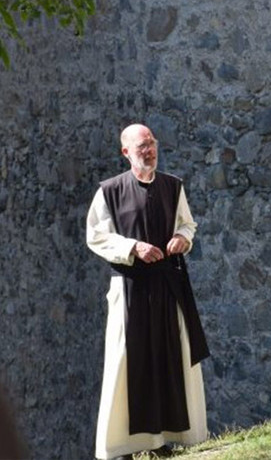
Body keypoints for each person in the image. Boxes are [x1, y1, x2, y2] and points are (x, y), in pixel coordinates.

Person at [87, 124, 209, 460]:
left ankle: (165, 439)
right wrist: (133, 247)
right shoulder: (109, 192)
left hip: (168, 286)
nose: (149, 150)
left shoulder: (173, 186)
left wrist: (183, 238)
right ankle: (124, 447)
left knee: (170, 356)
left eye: (152, 144)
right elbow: (96, 236)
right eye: (142, 146)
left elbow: (187, 223)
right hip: (130, 288)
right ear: (126, 152)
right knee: (127, 362)